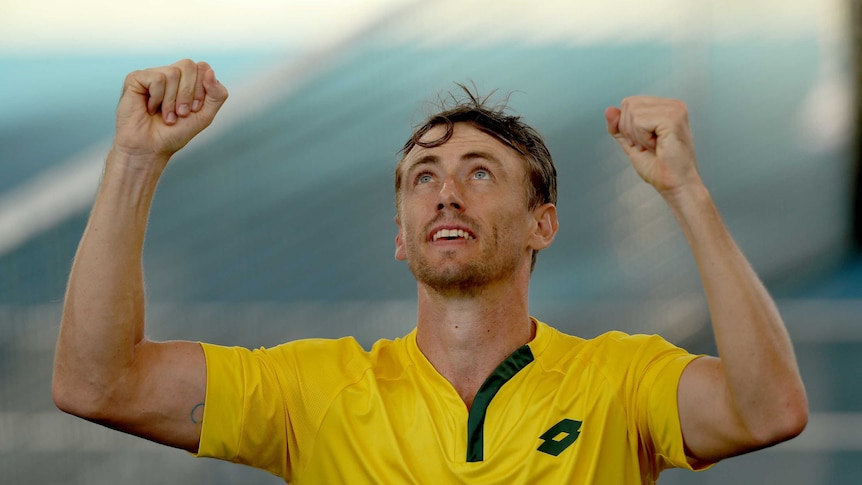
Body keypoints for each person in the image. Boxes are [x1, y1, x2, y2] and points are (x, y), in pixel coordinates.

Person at [52, 59, 808, 484]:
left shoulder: (620, 380)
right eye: (423, 176)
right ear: (402, 238)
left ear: (542, 223)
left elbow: (769, 410)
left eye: (480, 173)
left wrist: (687, 192)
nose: (446, 188)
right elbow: (97, 384)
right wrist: (135, 158)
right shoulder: (314, 390)